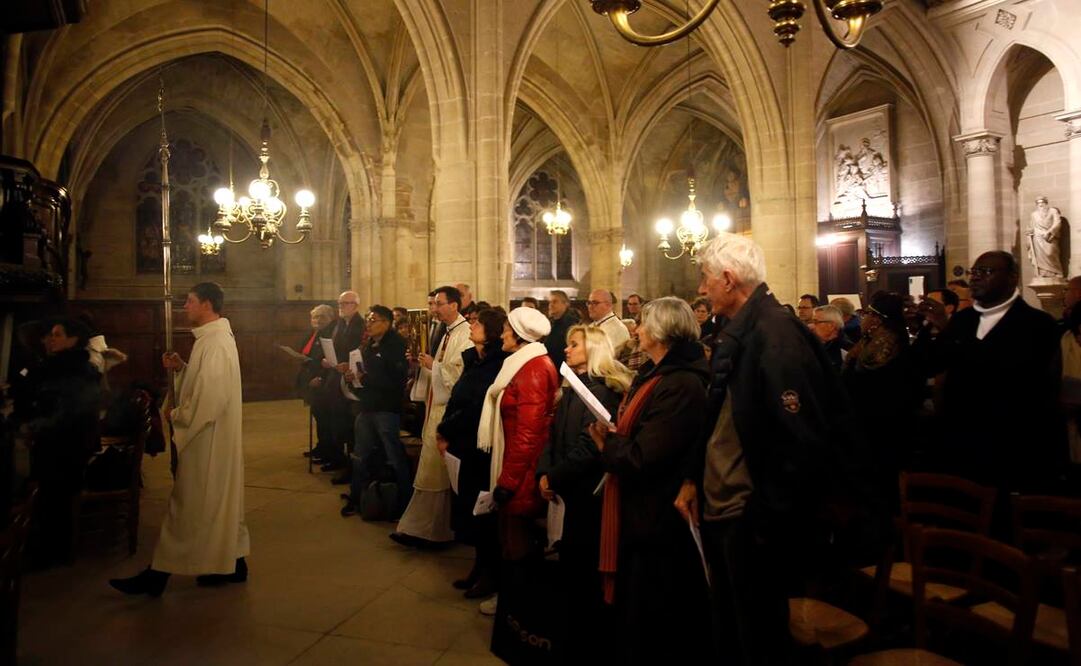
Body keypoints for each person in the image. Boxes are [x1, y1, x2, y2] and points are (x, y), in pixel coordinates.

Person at [676, 233, 874, 665]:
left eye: (706, 278)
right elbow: (720, 415)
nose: (702, 288)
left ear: (728, 279)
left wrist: (763, 518)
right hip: (728, 508)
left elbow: (800, 441)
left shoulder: (776, 335)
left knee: (758, 635)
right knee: (732, 625)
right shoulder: (743, 328)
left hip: (751, 518)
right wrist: (694, 477)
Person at [586, 297, 712, 663]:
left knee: (655, 612)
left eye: (642, 324)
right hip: (643, 511)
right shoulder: (658, 373)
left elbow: (645, 457)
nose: (636, 330)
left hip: (657, 517)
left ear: (661, 332)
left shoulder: (682, 384)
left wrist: (607, 442)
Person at [110, 283, 249, 596]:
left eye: (190, 301)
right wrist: (182, 369)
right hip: (212, 434)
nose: (185, 307)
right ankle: (234, 563)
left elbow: (211, 398)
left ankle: (157, 576)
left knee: (188, 504)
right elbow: (203, 384)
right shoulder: (211, 339)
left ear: (208, 305)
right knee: (218, 502)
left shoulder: (215, 344)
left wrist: (179, 415)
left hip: (208, 437)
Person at [916, 251, 1066, 494]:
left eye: (985, 272)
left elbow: (1010, 377)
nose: (975, 278)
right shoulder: (963, 321)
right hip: (961, 443)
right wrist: (929, 328)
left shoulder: (1037, 324)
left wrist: (951, 334)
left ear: (1012, 278)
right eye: (973, 272)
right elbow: (930, 364)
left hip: (1012, 446)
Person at [537, 325, 631, 658]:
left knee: (583, 565)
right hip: (566, 486)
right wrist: (546, 473)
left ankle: (587, 642)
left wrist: (555, 477)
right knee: (569, 561)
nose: (566, 349)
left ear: (593, 349)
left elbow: (588, 447)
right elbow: (553, 435)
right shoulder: (573, 391)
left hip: (587, 492)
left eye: (573, 345)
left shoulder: (601, 393)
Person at [477, 307, 559, 613]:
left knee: (518, 542)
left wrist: (507, 483)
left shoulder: (535, 368)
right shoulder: (522, 363)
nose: (503, 334)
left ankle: (518, 607)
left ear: (520, 335)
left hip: (522, 469)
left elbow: (528, 433)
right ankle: (516, 601)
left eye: (507, 329)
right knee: (512, 539)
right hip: (515, 463)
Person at [12, 318, 101, 566]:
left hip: (68, 445)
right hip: (63, 440)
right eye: (50, 335)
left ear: (73, 340)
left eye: (57, 335)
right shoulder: (61, 365)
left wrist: (32, 427)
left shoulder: (73, 369)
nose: (50, 339)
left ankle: (50, 551)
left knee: (49, 490)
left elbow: (67, 413)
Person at [436, 308, 510, 599]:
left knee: (483, 515)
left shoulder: (495, 363)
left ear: (490, 330)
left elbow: (476, 406)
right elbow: (458, 396)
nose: (471, 325)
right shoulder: (475, 359)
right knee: (470, 511)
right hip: (461, 443)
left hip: (479, 447)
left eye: (477, 322)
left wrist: (446, 429)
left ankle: (490, 574)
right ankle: (479, 567)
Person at [392, 285, 472, 548]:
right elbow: (438, 369)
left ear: (454, 306)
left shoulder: (465, 334)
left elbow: (461, 375)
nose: (434, 308)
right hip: (434, 406)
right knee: (429, 472)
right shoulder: (445, 331)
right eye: (434, 304)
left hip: (448, 411)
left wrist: (432, 366)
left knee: (435, 472)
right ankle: (423, 528)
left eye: (439, 304)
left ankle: (432, 531)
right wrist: (420, 364)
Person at [842, 293, 920, 506]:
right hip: (870, 420)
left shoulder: (885, 345)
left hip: (881, 423)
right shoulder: (871, 339)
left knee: (881, 481)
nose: (863, 317)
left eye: (867, 313)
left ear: (877, 319)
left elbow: (868, 383)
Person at [342, 306, 410, 518]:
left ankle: (406, 502)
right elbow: (361, 375)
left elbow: (396, 381)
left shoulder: (397, 345)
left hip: (386, 409)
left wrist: (365, 379)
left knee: (394, 456)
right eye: (368, 320)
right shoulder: (368, 345)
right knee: (360, 454)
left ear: (387, 323)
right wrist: (351, 379)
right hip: (366, 406)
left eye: (374, 320)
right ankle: (357, 496)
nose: (369, 324)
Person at [315, 291, 366, 472]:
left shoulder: (361, 325)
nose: (341, 307)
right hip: (335, 375)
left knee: (346, 424)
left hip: (349, 378)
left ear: (356, 305)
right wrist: (327, 360)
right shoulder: (339, 324)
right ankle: (336, 458)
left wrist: (347, 364)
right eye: (340, 304)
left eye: (345, 303)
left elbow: (360, 351)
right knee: (334, 420)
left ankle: (348, 466)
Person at [297, 304, 335, 458]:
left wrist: (320, 376)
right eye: (315, 317)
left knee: (326, 417)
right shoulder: (312, 334)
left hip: (322, 381)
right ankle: (321, 446)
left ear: (330, 319)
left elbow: (328, 359)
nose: (317, 320)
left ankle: (328, 449)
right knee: (318, 415)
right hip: (309, 379)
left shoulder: (330, 334)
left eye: (322, 317)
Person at [1027, 196, 1065, 279]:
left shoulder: (1053, 211)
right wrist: (1029, 231)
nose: (1040, 205)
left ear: (1046, 203)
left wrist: (1050, 231)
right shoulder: (1034, 214)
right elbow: (1031, 226)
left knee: (1050, 253)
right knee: (1039, 257)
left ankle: (1056, 271)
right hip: (1038, 238)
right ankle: (1042, 272)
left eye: (1042, 203)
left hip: (1050, 237)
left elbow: (1057, 222)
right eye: (1038, 203)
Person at [587, 289, 630, 353]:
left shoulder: (617, 329)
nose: (590, 306)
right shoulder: (592, 325)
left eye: (595, 303)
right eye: (589, 303)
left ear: (608, 305)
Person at [545, 289, 579, 369]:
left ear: (566, 304)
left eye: (555, 302)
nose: (551, 305)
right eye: (550, 302)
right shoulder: (551, 322)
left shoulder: (571, 324)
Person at [811, 304, 846, 371]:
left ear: (831, 326)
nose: (811, 326)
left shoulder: (844, 350)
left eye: (816, 322)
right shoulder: (814, 344)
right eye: (812, 321)